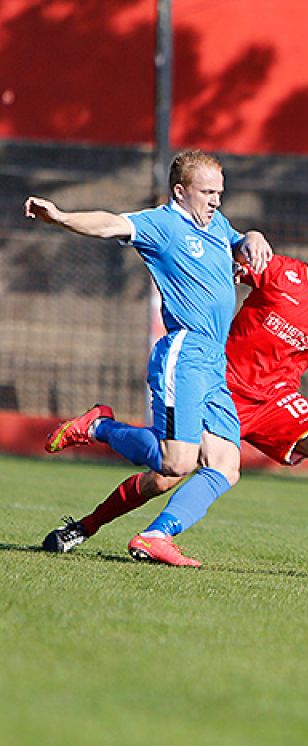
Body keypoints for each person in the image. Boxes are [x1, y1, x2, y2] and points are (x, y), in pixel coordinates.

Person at [42, 216, 308, 575]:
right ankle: (87, 520)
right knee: (165, 475)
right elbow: (225, 271)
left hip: (275, 400)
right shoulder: (279, 272)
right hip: (222, 387)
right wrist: (242, 252)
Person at [29, 150, 271, 567]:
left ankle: (156, 535)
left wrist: (252, 235)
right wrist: (62, 217)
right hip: (186, 353)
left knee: (225, 465)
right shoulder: (164, 224)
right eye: (207, 192)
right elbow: (111, 223)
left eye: (219, 192)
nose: (215, 200)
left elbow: (237, 242)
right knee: (176, 461)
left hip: (214, 361)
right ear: (181, 191)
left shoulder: (217, 224)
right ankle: (100, 426)